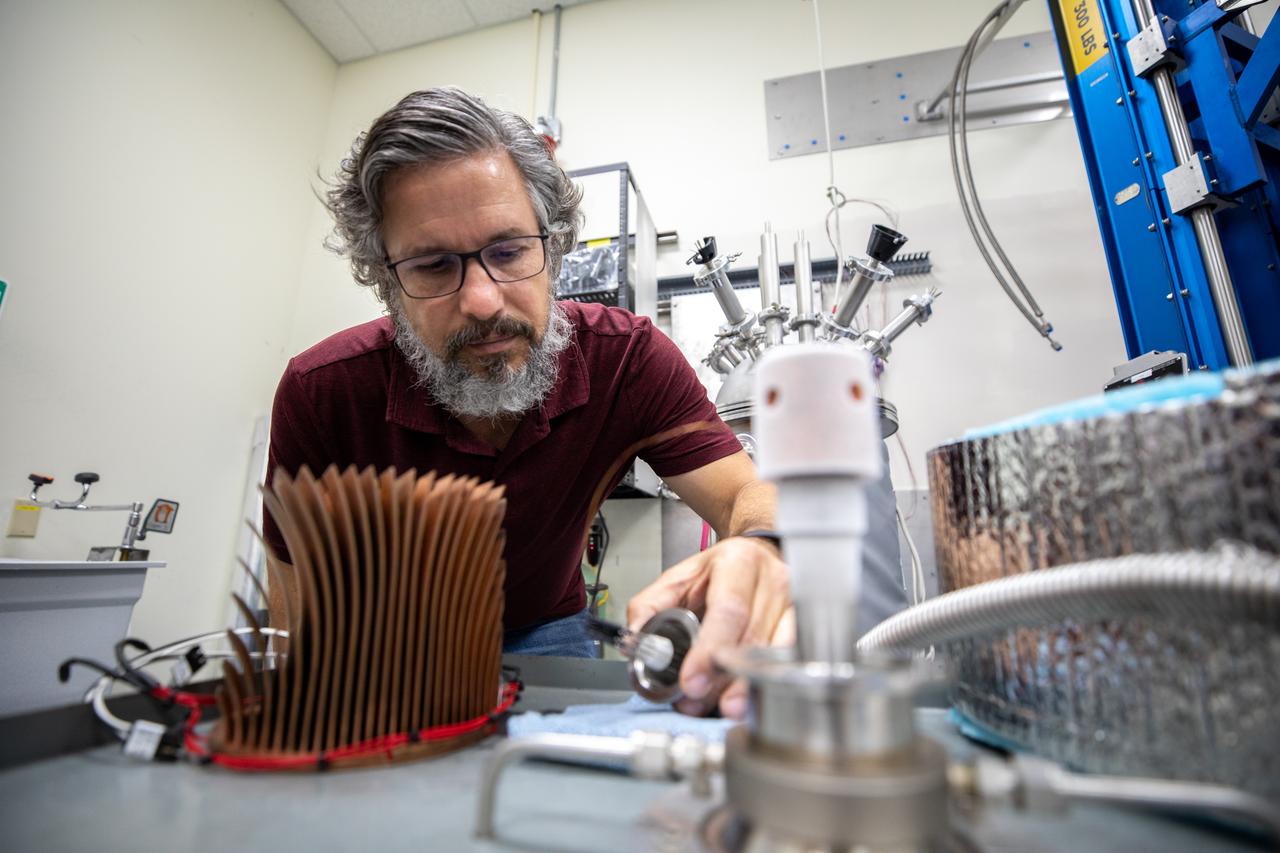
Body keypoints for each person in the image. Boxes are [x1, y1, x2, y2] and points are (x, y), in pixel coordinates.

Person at [263, 87, 790, 719]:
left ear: (554, 248)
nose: (483, 301)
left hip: (550, 630)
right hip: (386, 646)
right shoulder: (323, 391)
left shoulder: (629, 360)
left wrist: (761, 551)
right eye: (433, 265)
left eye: (509, 251)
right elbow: (292, 594)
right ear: (387, 282)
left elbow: (742, 493)